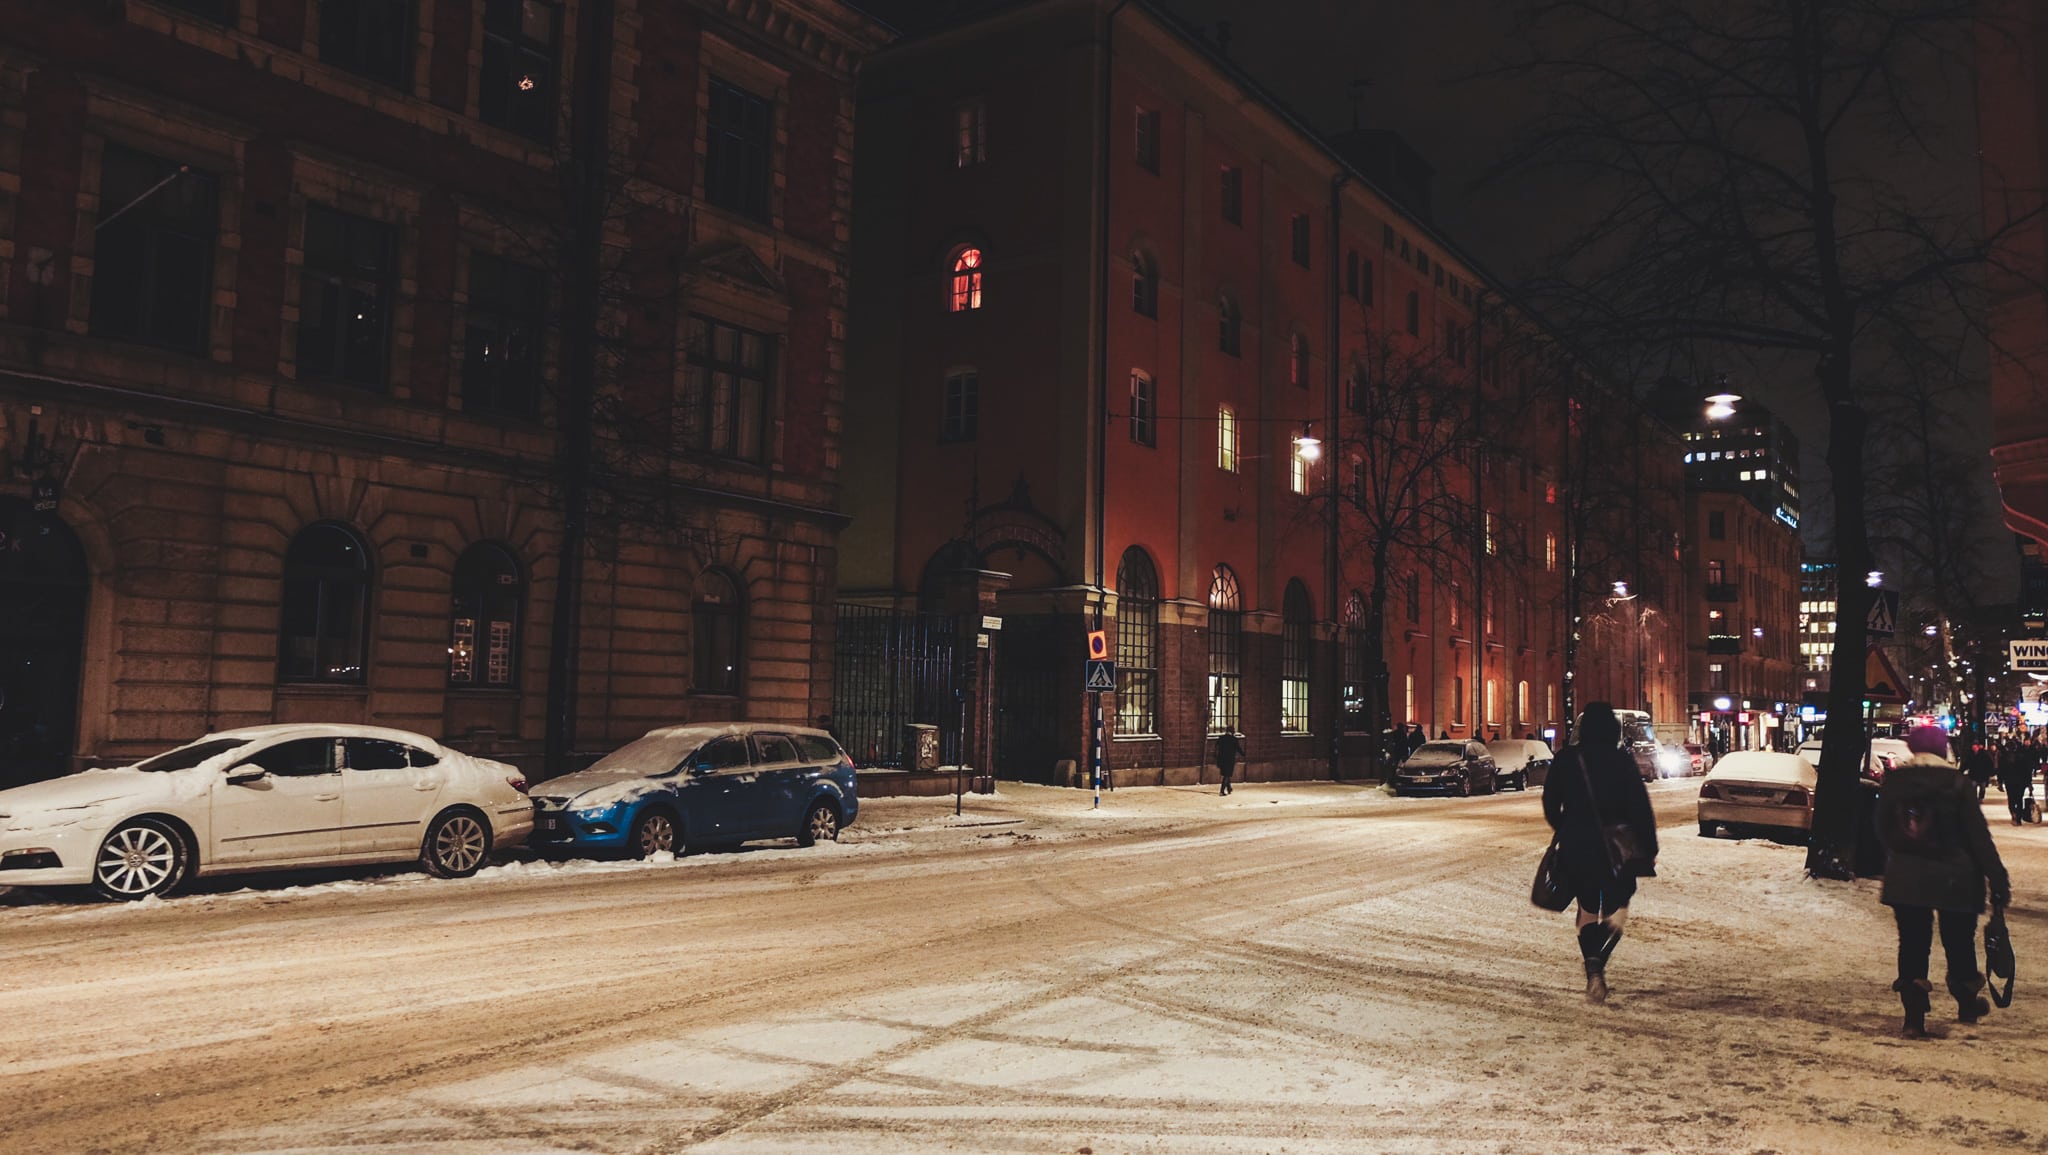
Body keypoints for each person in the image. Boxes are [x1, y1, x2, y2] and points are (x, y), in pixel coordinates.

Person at [1876, 726, 2010, 1038]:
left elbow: (1881, 827)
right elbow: (1978, 837)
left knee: (1912, 943)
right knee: (1959, 941)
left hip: (1906, 876)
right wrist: (1997, 877)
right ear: (1942, 749)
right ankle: (1966, 1003)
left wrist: (1901, 857)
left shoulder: (1895, 782)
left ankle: (1913, 1018)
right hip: (1956, 876)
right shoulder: (1957, 783)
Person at [1542, 702, 1659, 1004]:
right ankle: (1599, 962)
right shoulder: (1621, 761)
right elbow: (1640, 808)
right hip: (1617, 850)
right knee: (1617, 909)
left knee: (1587, 907)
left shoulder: (1567, 759)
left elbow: (1550, 802)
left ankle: (1593, 966)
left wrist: (1565, 827)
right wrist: (1649, 847)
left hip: (1578, 846)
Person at [1997, 738, 2035, 826]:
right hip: (2020, 783)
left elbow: (2000, 771)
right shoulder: (2022, 757)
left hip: (2010, 782)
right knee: (2019, 800)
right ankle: (2018, 818)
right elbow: (2027, 771)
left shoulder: (2003, 758)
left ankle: (2014, 813)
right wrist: (2029, 783)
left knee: (2011, 799)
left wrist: (2000, 782)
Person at [1214, 730, 1244, 796]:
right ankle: (1222, 791)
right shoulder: (1234, 739)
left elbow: (1216, 747)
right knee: (1227, 775)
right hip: (1230, 759)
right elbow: (1238, 748)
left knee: (1226, 774)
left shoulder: (1221, 738)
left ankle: (1229, 788)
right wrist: (1243, 754)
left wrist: (1216, 757)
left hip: (1221, 759)